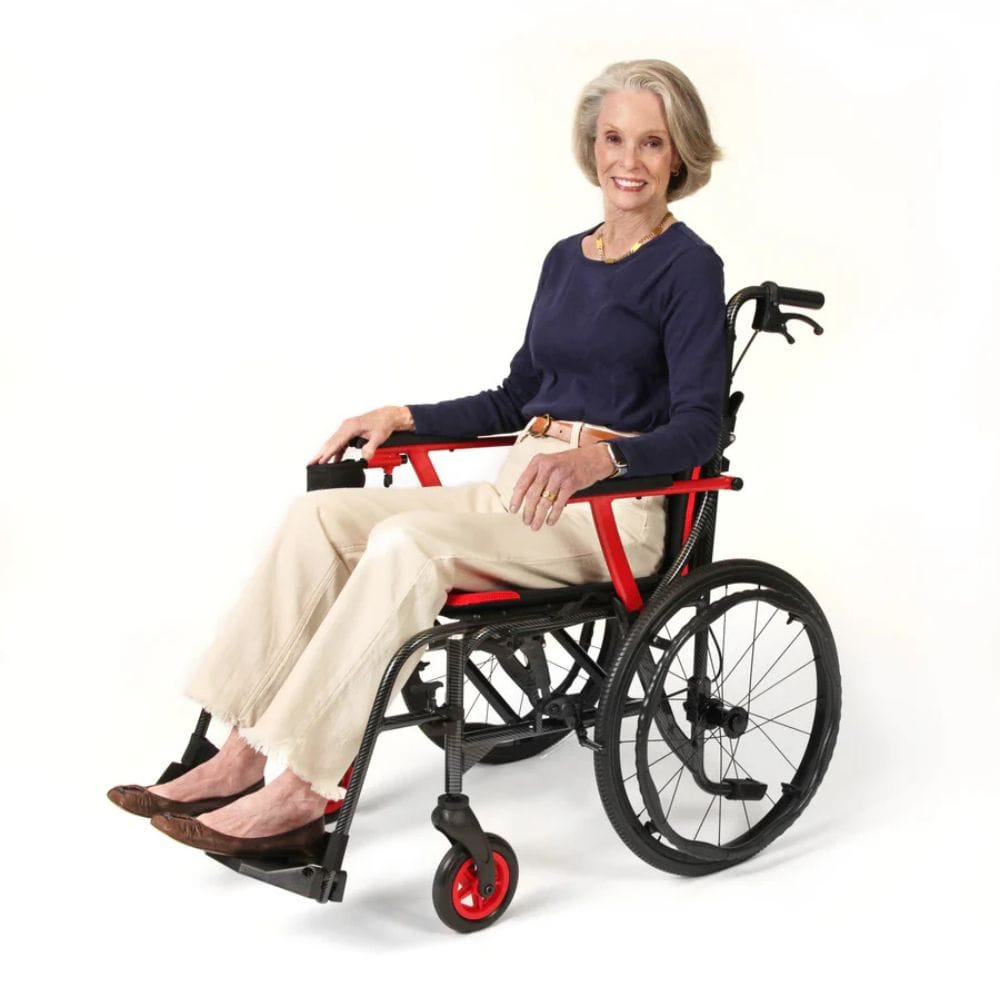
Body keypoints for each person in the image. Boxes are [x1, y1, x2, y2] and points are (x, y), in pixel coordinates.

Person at [107, 57, 728, 861]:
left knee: (409, 544)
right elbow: (514, 400)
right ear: (592, 145)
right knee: (322, 516)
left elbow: (699, 429)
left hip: (614, 514)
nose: (628, 160)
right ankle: (241, 751)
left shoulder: (689, 267)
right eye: (614, 138)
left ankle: (304, 791)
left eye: (651, 142)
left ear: (678, 155)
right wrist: (401, 416)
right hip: (522, 486)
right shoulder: (564, 260)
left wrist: (598, 465)